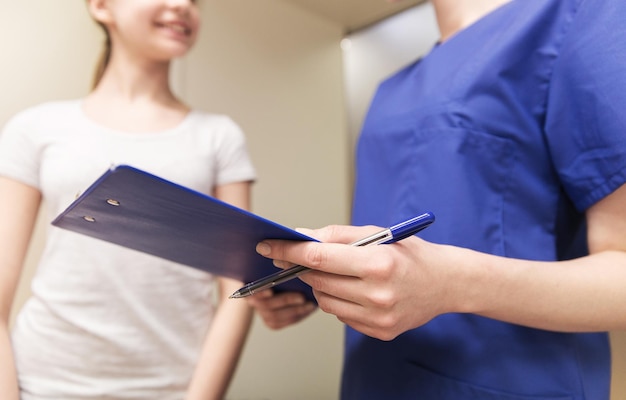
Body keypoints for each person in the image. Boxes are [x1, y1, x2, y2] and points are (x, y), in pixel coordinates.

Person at [247, 0, 626, 398]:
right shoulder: (390, 89)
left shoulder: (579, 16)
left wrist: (453, 284)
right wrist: (313, 282)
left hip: (506, 382)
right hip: (373, 379)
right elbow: (395, 255)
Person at [0, 0, 255, 399]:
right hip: (43, 383)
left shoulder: (219, 136)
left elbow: (239, 291)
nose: (183, 6)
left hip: (174, 388)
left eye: (194, 0)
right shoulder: (35, 127)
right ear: (101, 6)